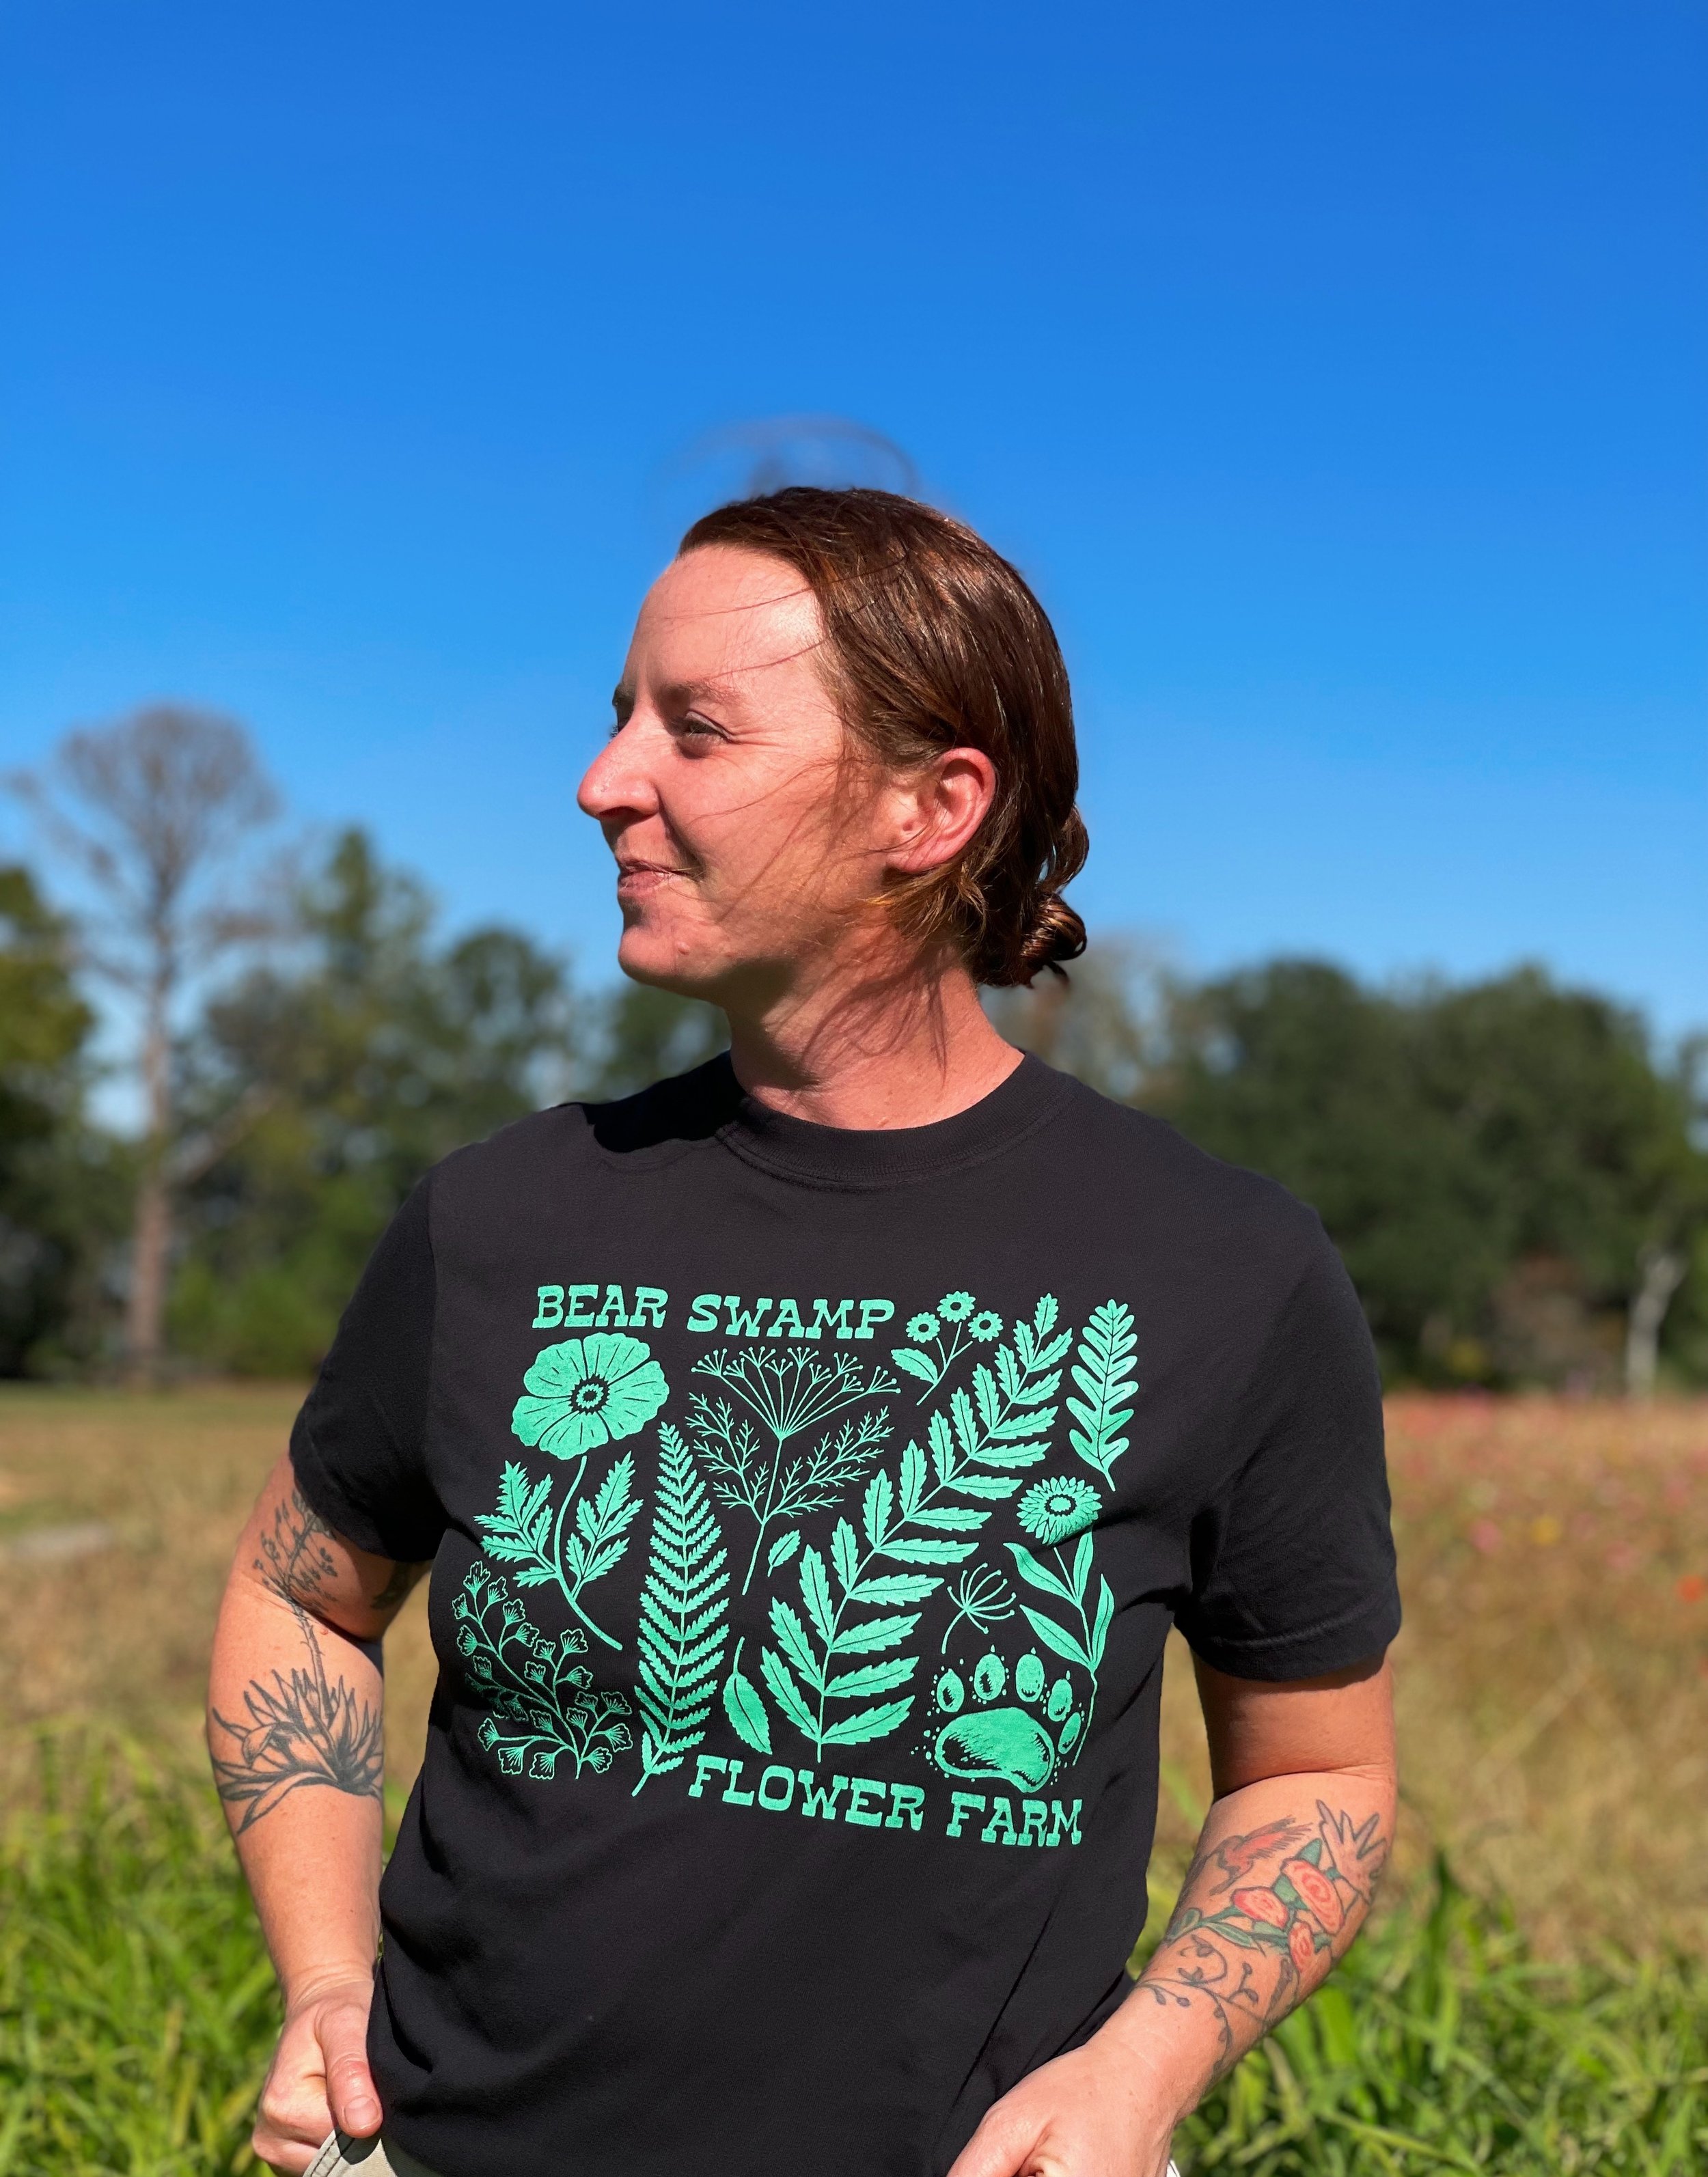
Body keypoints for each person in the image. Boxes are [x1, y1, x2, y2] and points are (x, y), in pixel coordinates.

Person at [208, 487, 1400, 2177]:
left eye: (693, 729)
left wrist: (1142, 2069)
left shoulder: (1219, 1265)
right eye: (619, 715)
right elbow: (299, 1596)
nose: (601, 780)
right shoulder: (500, 1218)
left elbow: (1315, 1772)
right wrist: (327, 1984)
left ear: (931, 806)